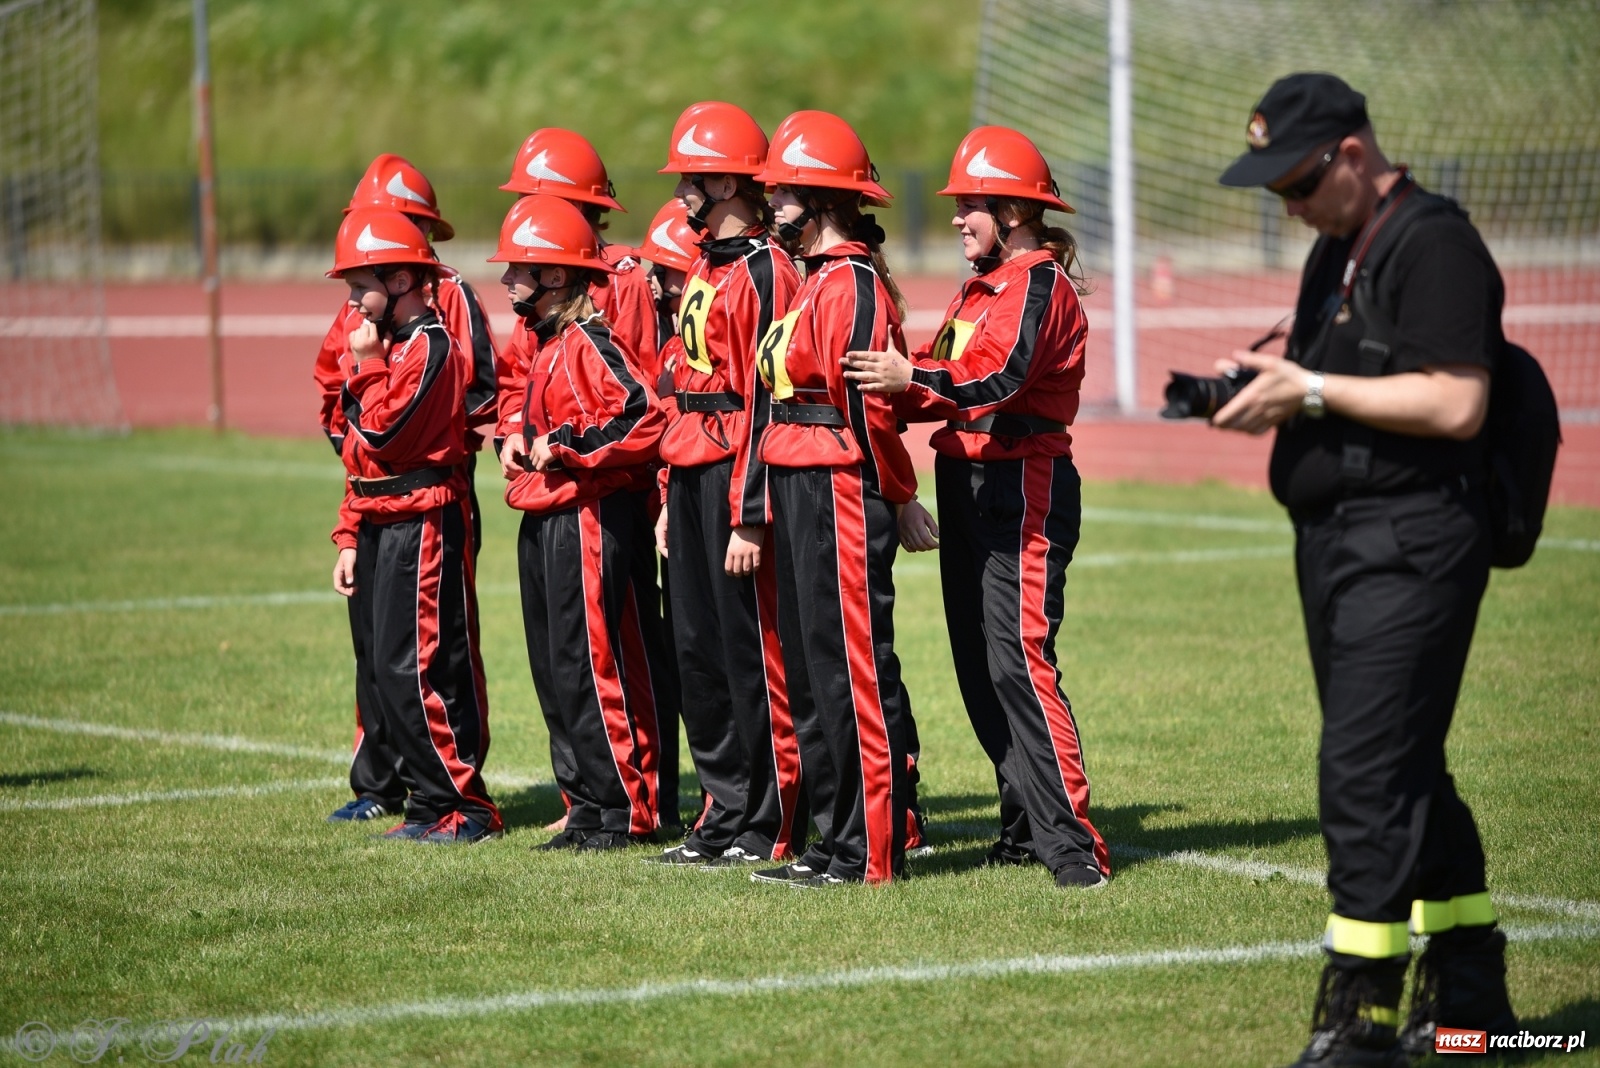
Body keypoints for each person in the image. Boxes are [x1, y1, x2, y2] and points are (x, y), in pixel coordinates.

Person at [1211, 74, 1516, 1067]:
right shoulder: (1335, 248)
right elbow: (1328, 384)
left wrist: (1307, 392)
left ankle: (1360, 1023)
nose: (1290, 207)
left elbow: (1457, 403)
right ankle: (1474, 1007)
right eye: (1276, 193)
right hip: (1335, 539)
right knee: (1403, 765)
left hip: (1413, 538)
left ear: (1351, 153)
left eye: (1298, 185)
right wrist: (1263, 390)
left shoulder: (1434, 242)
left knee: (1361, 773)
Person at [842, 125, 1110, 891]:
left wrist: (908, 380)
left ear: (1013, 211)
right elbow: (942, 371)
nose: (957, 218)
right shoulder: (981, 286)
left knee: (1020, 663)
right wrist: (880, 384)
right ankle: (1024, 832)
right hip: (968, 484)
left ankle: (1074, 847)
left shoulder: (1039, 285)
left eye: (970, 206)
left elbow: (996, 379)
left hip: (1021, 489)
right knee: (981, 670)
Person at [743, 110, 927, 887]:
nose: (773, 204)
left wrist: (900, 494)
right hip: (799, 479)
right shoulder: (815, 279)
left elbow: (868, 411)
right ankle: (834, 838)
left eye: (785, 192)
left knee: (850, 670)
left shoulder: (850, 282)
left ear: (822, 199)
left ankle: (868, 851)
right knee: (812, 670)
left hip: (839, 487)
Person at [500, 129, 679, 835]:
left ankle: (626, 804)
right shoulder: (548, 335)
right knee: (560, 661)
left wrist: (566, 447)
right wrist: (517, 437)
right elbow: (523, 387)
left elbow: (640, 405)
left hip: (598, 507)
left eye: (520, 267)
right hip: (551, 504)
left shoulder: (599, 315)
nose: (508, 279)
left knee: (604, 657)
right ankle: (587, 800)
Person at [643, 101, 804, 869]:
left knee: (750, 653)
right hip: (692, 469)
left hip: (737, 472)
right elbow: (685, 382)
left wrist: (750, 512)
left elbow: (767, 395)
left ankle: (768, 818)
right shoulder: (705, 262)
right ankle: (722, 811)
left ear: (731, 184)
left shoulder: (768, 269)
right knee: (696, 648)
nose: (681, 193)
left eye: (693, 178)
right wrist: (670, 493)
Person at [319, 153, 498, 825]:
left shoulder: (440, 312)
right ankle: (385, 784)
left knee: (432, 650)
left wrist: (420, 436)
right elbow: (340, 398)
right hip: (376, 495)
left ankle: (453, 791)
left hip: (431, 494)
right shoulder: (367, 314)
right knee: (379, 653)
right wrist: (362, 455)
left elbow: (475, 392)